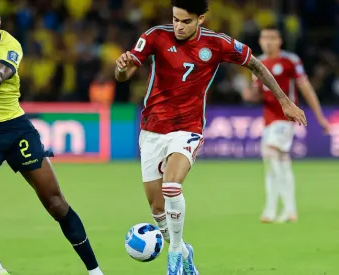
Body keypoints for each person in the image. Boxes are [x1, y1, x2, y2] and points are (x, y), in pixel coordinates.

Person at [114, 0, 307, 274]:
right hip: (152, 129)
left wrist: (285, 101)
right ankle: (184, 249)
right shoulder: (155, 35)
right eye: (175, 19)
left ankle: (175, 255)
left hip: (188, 127)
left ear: (200, 19)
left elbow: (256, 65)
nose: (178, 26)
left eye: (186, 21)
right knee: (157, 209)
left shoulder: (218, 44)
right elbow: (123, 74)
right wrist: (121, 68)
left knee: (172, 185)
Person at [0, 1, 103, 275]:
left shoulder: (11, 45)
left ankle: (94, 271)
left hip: (16, 130)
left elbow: (0, 74)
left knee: (55, 202)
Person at [242, 25, 330, 223]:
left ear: (280, 40)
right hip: (268, 119)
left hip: (285, 118)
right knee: (278, 161)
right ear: (260, 41)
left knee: (271, 153)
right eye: (265, 38)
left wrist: (321, 117)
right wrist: (249, 92)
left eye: (272, 38)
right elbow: (255, 94)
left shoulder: (290, 60)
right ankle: (281, 210)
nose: (268, 42)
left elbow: (306, 89)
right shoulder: (257, 63)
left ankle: (280, 208)